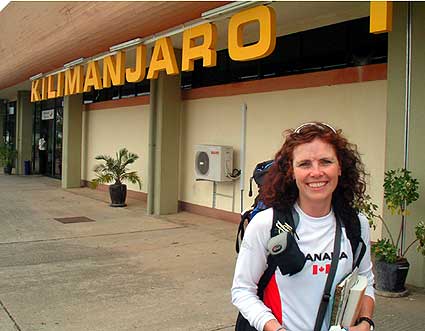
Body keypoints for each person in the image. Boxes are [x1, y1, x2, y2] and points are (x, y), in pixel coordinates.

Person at [231, 122, 375, 331]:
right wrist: (275, 328)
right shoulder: (266, 224)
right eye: (305, 164)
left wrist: (366, 322)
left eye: (326, 162)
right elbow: (242, 291)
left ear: (340, 167)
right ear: (291, 171)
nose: (316, 172)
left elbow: (366, 281)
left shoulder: (356, 224)